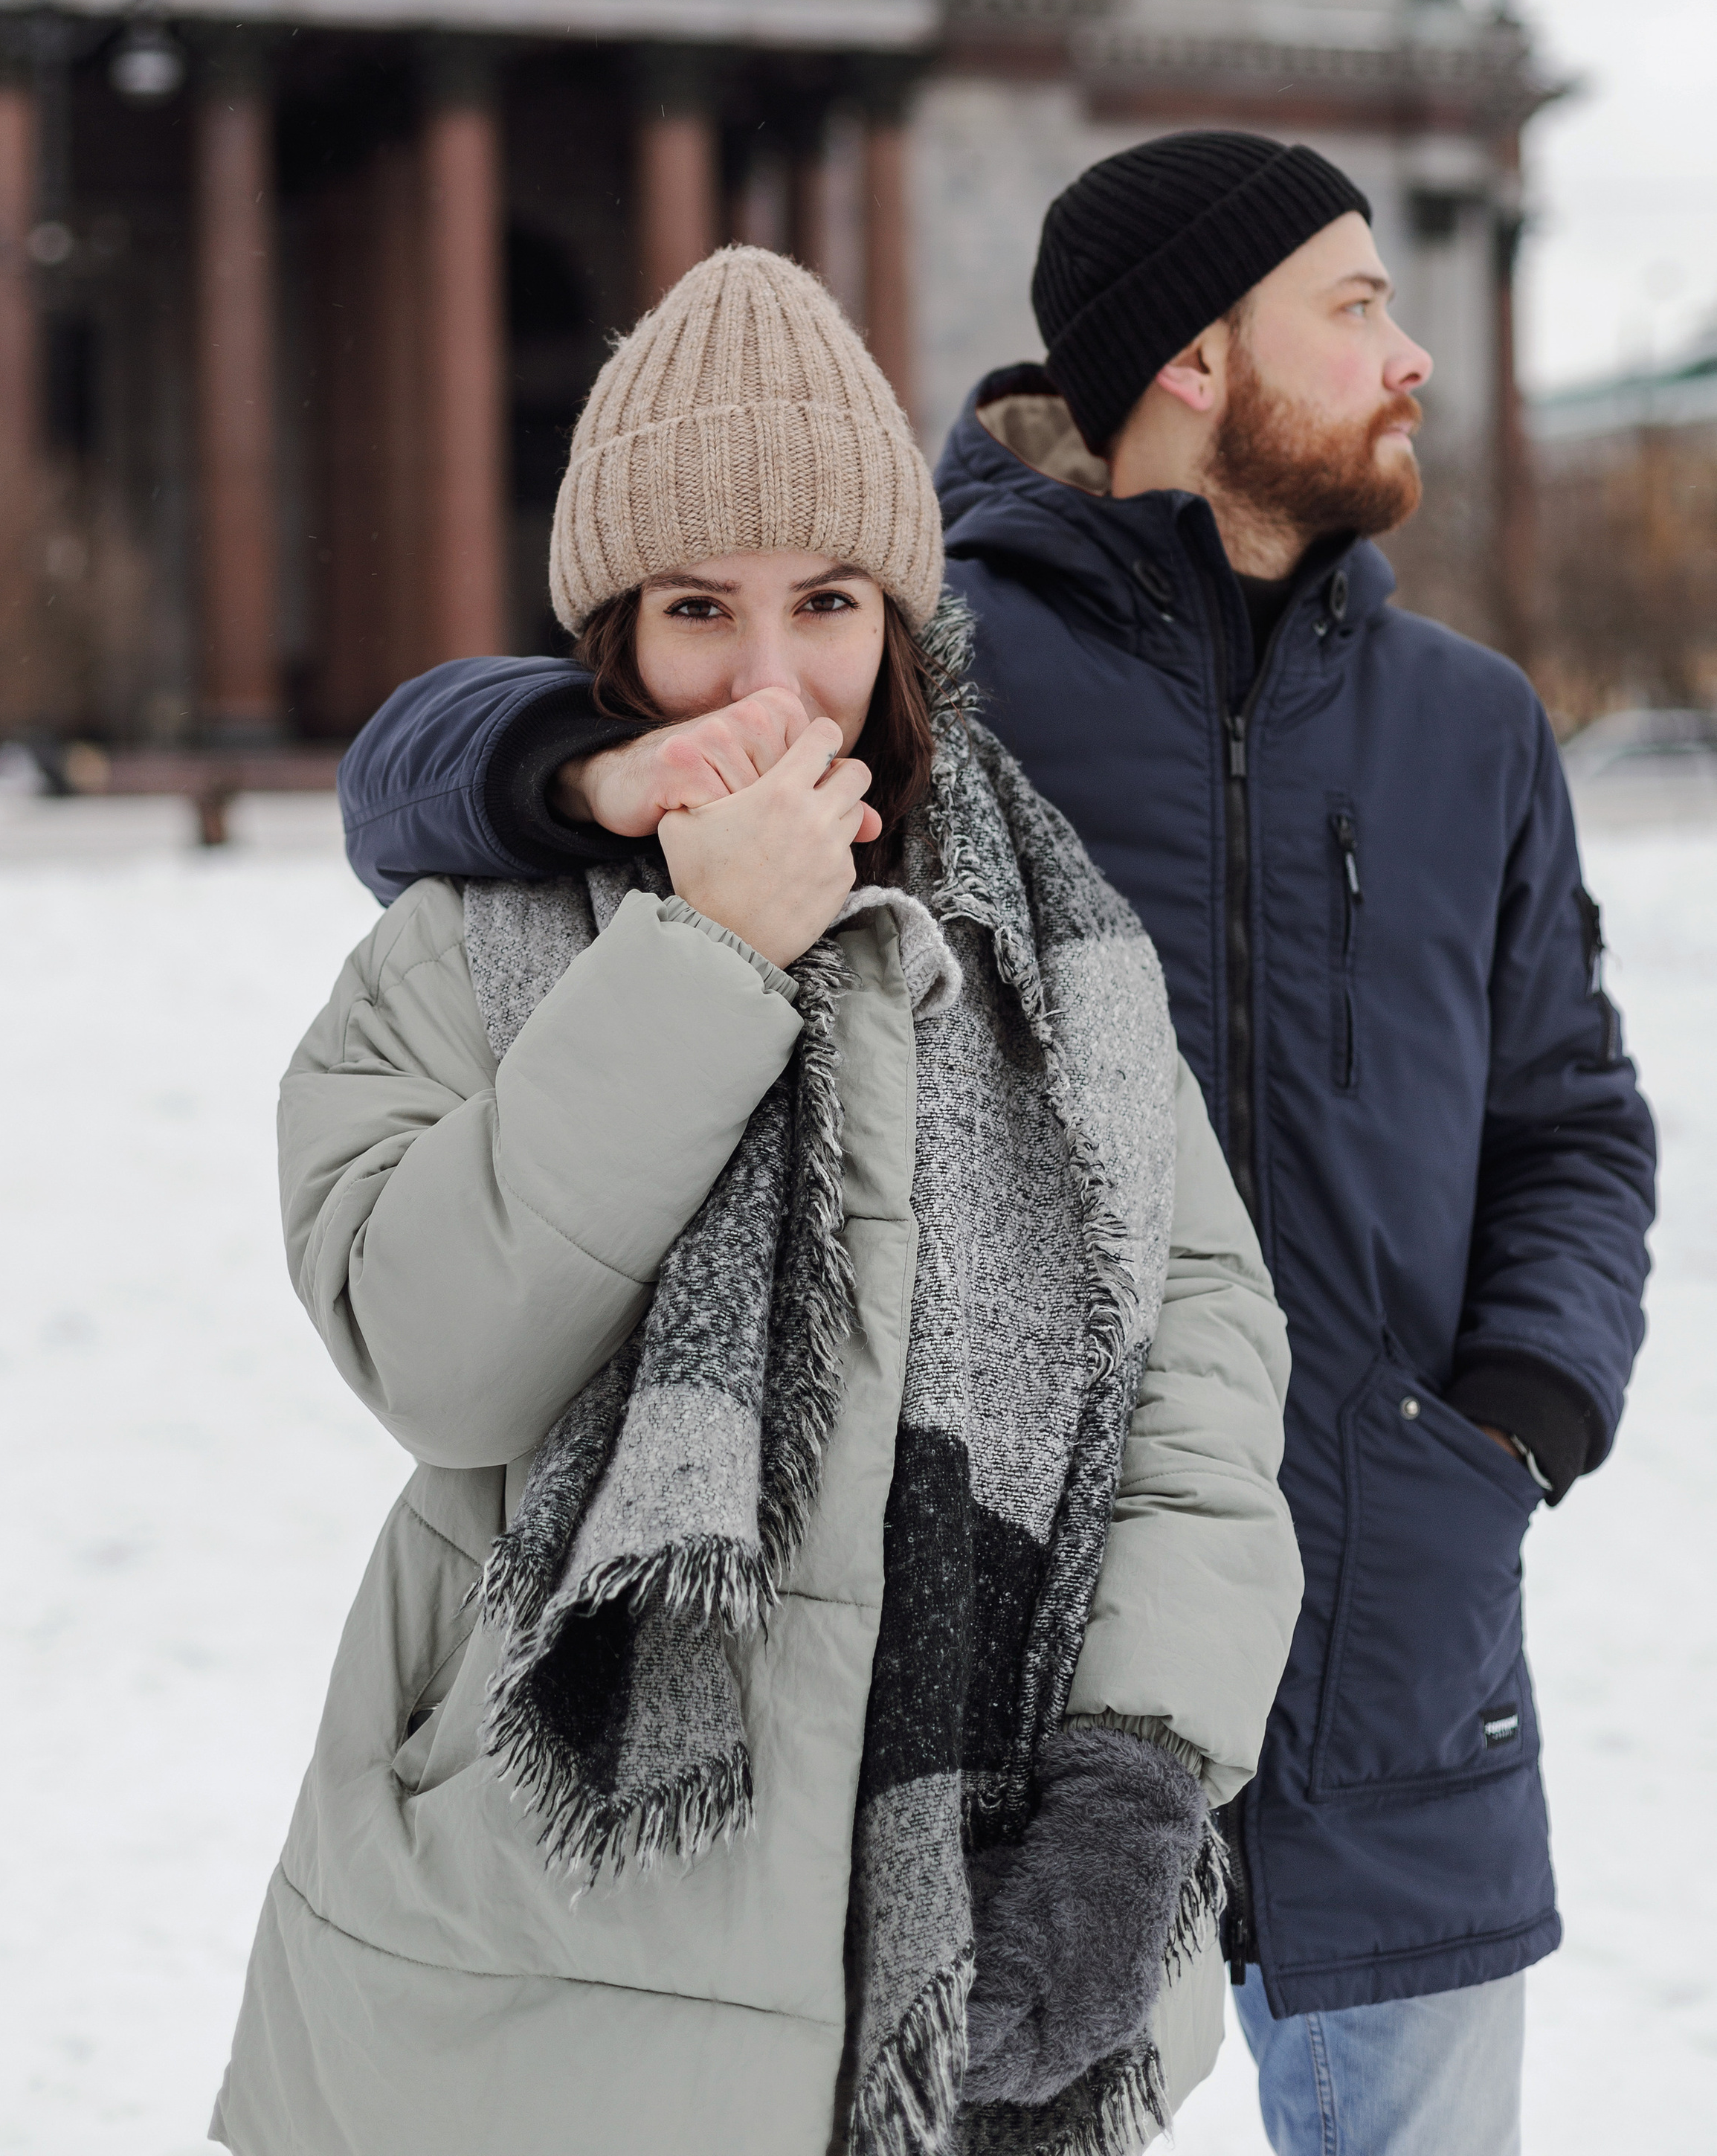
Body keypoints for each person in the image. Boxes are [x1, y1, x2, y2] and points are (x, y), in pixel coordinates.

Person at [332, 136, 1657, 2156]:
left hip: (1395, 1644)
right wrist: (592, 770)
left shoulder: (1468, 723)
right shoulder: (936, 674)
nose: (1409, 361)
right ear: (1199, 360)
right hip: (991, 1680)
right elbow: (432, 759)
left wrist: (1518, 1424)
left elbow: (1571, 1111)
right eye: (1357, 307)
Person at [213, 245, 1301, 2156]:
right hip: (521, 1981)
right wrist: (703, 955)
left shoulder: (1063, 960)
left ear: (898, 619)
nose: (774, 679)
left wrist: (1136, 1781)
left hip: (949, 1995)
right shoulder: (463, 950)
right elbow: (439, 1357)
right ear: (612, 636)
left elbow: (1202, 1389)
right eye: (698, 609)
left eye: (826, 603)